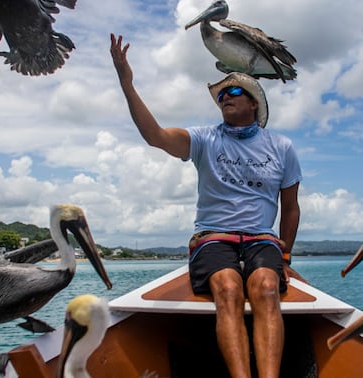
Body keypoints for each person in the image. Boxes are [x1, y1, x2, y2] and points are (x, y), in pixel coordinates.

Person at [109, 33, 301, 378]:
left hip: (261, 239)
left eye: (234, 92)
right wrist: (127, 84)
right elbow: (155, 136)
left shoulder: (281, 146)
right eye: (221, 94)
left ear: (254, 102)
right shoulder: (204, 139)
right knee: (227, 288)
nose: (225, 96)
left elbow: (290, 207)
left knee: (267, 288)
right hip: (214, 238)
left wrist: (286, 257)